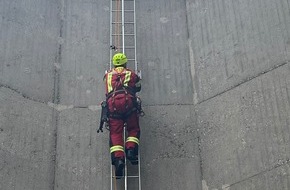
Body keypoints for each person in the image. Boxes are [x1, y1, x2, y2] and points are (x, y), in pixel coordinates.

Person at [104, 52, 141, 178]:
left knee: (115, 134)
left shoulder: (108, 75)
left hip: (113, 107)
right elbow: (137, 82)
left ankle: (119, 160)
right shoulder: (130, 73)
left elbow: (107, 89)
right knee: (133, 128)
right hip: (128, 105)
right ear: (125, 63)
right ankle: (131, 150)